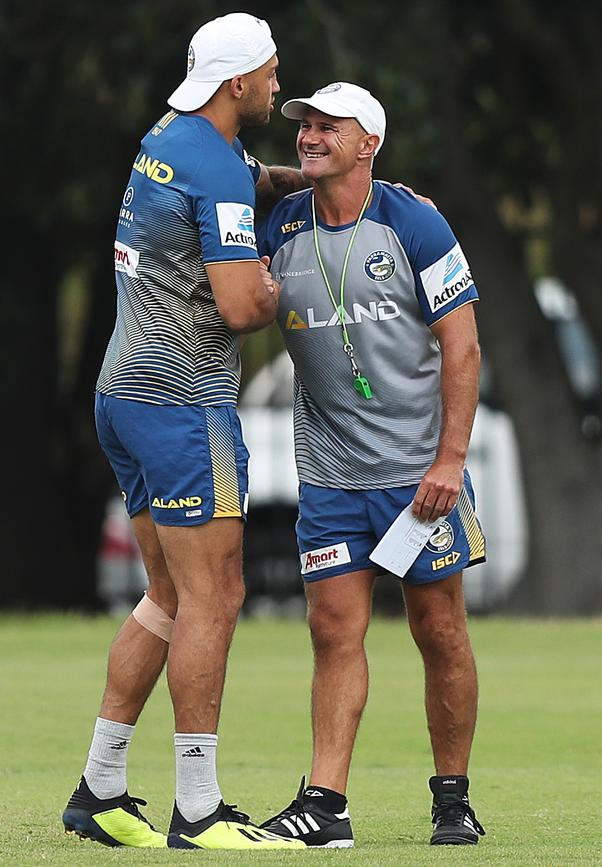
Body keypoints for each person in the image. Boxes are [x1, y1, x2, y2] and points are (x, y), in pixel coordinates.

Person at [61, 13, 307, 851]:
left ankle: (98, 789)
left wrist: (294, 184)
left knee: (168, 596)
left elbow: (238, 176)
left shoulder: (173, 136)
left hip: (122, 391)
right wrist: (295, 286)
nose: (280, 86)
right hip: (181, 405)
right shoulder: (217, 167)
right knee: (217, 595)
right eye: (273, 75)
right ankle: (196, 808)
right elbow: (242, 307)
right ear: (238, 85)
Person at [256, 82, 487, 847]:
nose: (311, 134)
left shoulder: (415, 221)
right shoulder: (282, 223)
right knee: (332, 629)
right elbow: (233, 184)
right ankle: (326, 804)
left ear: (370, 144)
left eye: (330, 126)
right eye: (306, 125)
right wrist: (294, 176)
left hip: (420, 475)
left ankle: (451, 798)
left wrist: (450, 459)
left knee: (439, 628)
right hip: (329, 473)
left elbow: (464, 346)